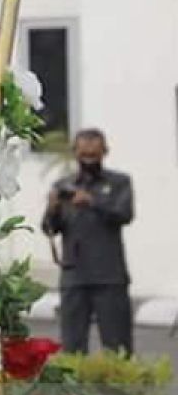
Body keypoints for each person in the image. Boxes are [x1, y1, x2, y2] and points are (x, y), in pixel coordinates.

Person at [42, 128, 134, 355]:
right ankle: (74, 391)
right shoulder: (62, 185)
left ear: (105, 152)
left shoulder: (119, 182)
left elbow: (124, 214)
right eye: (84, 154)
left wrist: (92, 202)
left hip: (109, 276)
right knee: (72, 346)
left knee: (117, 346)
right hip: (75, 276)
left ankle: (118, 390)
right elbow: (49, 228)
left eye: (94, 154)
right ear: (75, 153)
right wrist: (52, 209)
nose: (89, 159)